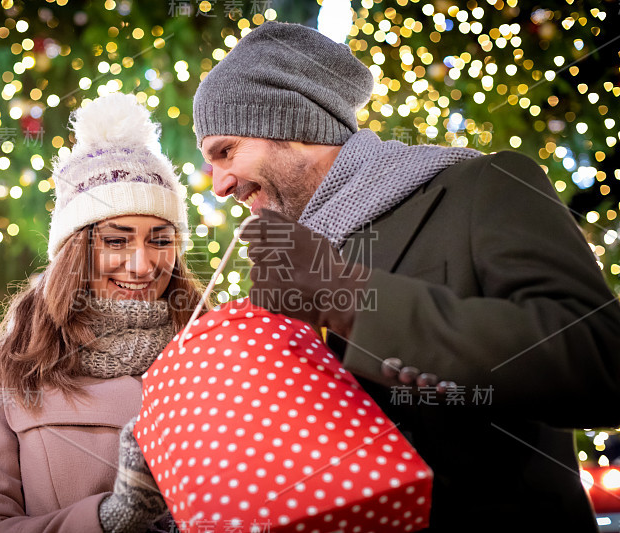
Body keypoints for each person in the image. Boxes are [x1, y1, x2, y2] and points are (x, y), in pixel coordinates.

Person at [192, 21, 620, 532]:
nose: (219, 184)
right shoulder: (285, 263)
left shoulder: (481, 187)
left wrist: (349, 297)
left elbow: (602, 361)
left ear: (293, 125)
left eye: (226, 151)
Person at [0, 92, 202, 532]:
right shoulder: (2, 371)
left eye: (161, 240)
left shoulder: (210, 357)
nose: (142, 266)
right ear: (75, 251)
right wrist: (106, 519)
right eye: (116, 241)